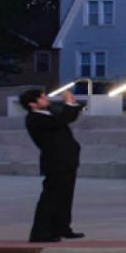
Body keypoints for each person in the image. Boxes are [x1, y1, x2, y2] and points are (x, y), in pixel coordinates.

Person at [22, 88, 87, 243]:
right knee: (51, 198)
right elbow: (62, 119)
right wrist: (68, 104)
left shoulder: (49, 112)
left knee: (65, 196)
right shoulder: (34, 118)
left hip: (67, 160)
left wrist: (71, 103)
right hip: (55, 162)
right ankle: (40, 233)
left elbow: (69, 116)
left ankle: (62, 228)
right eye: (42, 98)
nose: (47, 100)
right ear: (32, 104)